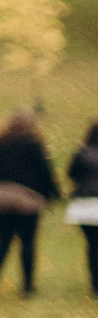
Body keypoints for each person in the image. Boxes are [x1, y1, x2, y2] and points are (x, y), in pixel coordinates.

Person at [0, 108, 59, 299]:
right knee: (27, 242)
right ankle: (27, 286)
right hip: (27, 199)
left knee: (2, 240)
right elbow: (45, 171)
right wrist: (54, 194)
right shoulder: (33, 143)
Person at [67, 122, 98, 298]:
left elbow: (71, 174)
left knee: (93, 246)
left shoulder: (82, 153)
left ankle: (95, 285)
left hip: (84, 206)